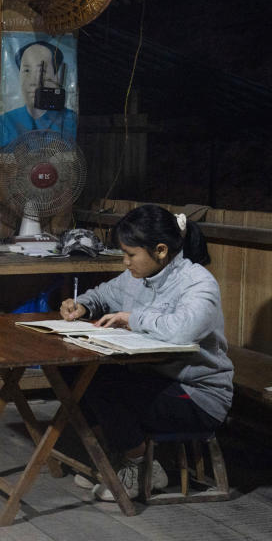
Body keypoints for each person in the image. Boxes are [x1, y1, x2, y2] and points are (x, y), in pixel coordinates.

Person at [59, 204, 234, 500]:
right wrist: (83, 304)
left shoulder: (198, 283)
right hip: (157, 380)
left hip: (197, 395)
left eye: (130, 254)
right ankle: (120, 458)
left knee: (105, 387)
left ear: (161, 250)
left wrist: (132, 318)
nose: (125, 262)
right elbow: (103, 294)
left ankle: (139, 467)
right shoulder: (136, 276)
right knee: (73, 369)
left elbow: (183, 330)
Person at [0, 41, 77, 149]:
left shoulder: (69, 120)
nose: (33, 82)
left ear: (56, 77)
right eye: (26, 70)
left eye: (42, 71)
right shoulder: (5, 121)